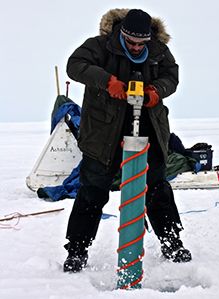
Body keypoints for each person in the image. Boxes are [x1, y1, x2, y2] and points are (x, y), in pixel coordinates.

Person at [63, 8, 192, 272]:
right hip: (103, 136)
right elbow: (75, 65)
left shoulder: (158, 51)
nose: (135, 47)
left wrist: (156, 90)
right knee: (92, 192)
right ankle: (77, 250)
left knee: (157, 191)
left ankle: (172, 242)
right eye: (130, 41)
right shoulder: (100, 46)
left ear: (149, 39)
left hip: (150, 133)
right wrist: (107, 80)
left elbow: (172, 76)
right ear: (121, 33)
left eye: (141, 43)